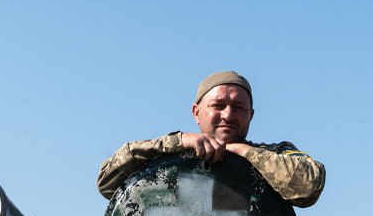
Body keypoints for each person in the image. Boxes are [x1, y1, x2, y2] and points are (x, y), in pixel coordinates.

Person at [96, 71, 326, 208]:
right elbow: (107, 182)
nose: (227, 115)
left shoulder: (276, 155)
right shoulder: (168, 157)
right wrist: (178, 142)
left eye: (238, 107)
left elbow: (308, 186)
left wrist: (244, 152)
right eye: (218, 106)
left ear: (251, 115)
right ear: (196, 112)